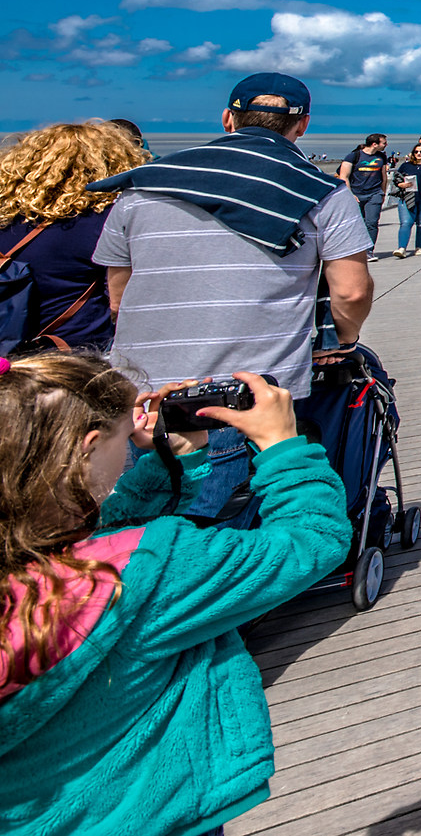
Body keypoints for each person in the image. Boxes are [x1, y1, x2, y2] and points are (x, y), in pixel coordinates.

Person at [0, 357, 348, 835]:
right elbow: (311, 540)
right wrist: (282, 445)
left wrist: (171, 460)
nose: (128, 455)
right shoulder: (154, 574)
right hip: (148, 816)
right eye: (125, 442)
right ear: (87, 450)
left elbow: (104, 538)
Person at [88, 71, 374, 522]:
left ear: (227, 118)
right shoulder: (323, 192)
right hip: (252, 385)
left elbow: (119, 296)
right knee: (223, 518)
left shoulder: (143, 185)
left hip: (142, 384)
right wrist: (345, 339)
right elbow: (352, 291)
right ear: (302, 126)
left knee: (137, 510)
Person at [0, 122, 148, 354]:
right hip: (75, 355)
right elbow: (120, 302)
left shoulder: (5, 215)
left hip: (8, 355)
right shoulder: (109, 220)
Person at [336, 133, 390, 259]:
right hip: (356, 194)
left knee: (372, 222)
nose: (386, 145)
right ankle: (355, 251)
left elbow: (384, 177)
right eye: (384, 143)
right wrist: (350, 195)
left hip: (374, 193)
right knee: (356, 224)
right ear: (374, 144)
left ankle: (369, 251)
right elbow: (344, 177)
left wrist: (383, 193)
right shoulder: (354, 156)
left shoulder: (381, 156)